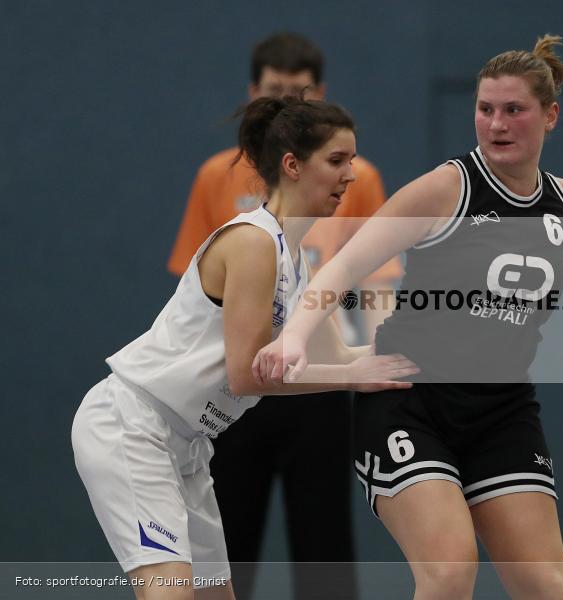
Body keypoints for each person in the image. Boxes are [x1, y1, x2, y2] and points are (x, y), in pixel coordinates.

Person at [253, 35, 563, 599]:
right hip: (408, 399)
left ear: (551, 116)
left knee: (548, 588)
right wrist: (294, 337)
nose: (496, 123)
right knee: (449, 570)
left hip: (500, 411)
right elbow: (341, 268)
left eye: (513, 109)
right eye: (485, 109)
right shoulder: (449, 188)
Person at [71, 96, 418, 600]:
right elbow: (247, 376)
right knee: (169, 593)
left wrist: (428, 356)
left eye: (353, 160)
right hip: (133, 426)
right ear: (293, 165)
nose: (351, 175)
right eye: (337, 161)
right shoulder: (253, 243)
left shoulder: (297, 263)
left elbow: (338, 358)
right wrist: (352, 377)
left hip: (187, 446)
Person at [166, 32, 400, 599]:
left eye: (301, 94)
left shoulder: (355, 180)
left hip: (314, 382)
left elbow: (374, 283)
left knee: (323, 550)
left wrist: (378, 360)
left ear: (319, 93)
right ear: (255, 94)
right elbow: (195, 299)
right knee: (226, 547)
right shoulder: (221, 185)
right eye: (276, 93)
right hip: (233, 392)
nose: (289, 105)